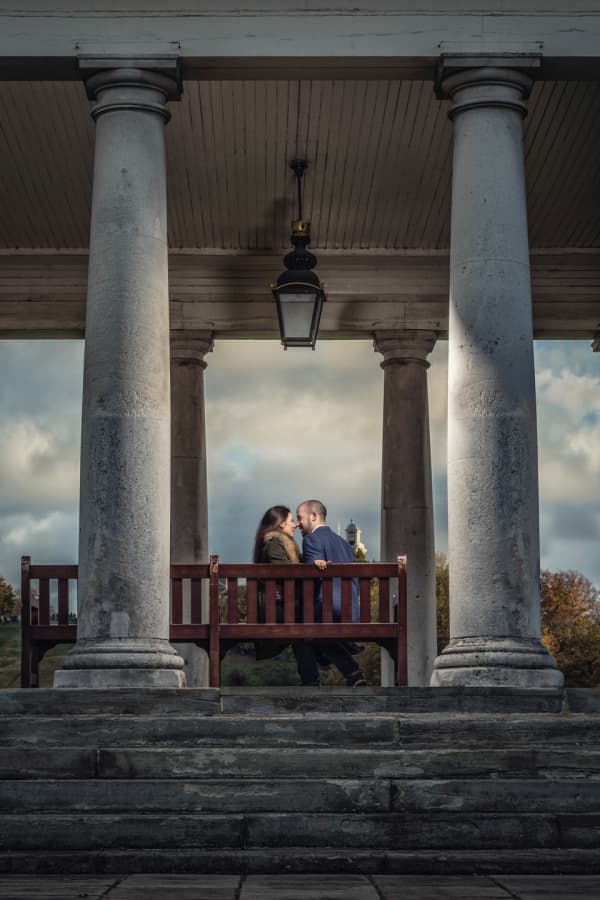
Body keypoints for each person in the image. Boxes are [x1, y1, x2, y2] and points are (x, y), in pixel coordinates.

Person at [295, 499, 367, 687]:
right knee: (314, 631)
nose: (297, 524)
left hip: (329, 611)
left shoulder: (311, 539)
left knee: (300, 628)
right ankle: (353, 673)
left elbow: (310, 581)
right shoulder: (344, 544)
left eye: (300, 518)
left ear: (313, 516)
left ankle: (311, 682)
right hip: (352, 613)